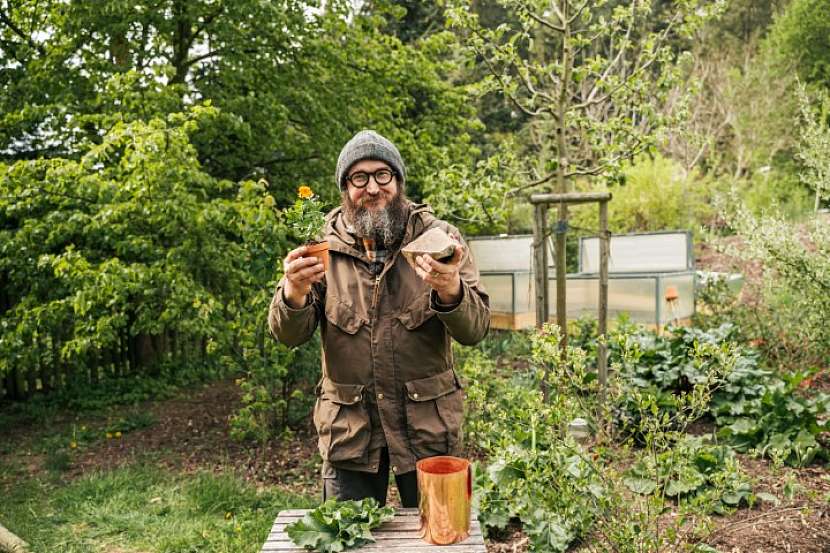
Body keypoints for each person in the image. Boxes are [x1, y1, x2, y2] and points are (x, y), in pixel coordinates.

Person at [268, 130, 490, 508]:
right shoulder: (320, 246)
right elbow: (287, 336)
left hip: (428, 429)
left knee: (438, 538)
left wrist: (451, 289)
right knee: (347, 538)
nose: (372, 187)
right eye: (359, 177)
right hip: (350, 430)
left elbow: (476, 329)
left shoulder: (441, 241)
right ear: (345, 187)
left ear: (398, 181)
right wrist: (294, 292)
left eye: (382, 175)